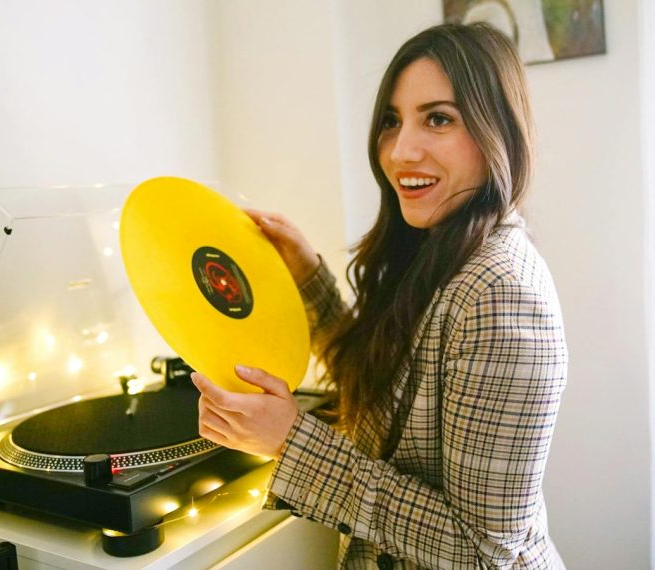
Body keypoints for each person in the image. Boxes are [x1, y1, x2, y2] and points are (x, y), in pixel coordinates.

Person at [191, 22, 568, 569]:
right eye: (392, 122)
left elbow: (483, 553)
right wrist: (307, 277)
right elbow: (384, 401)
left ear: (498, 134)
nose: (400, 151)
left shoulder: (502, 295)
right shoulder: (435, 245)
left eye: (438, 119)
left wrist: (292, 442)